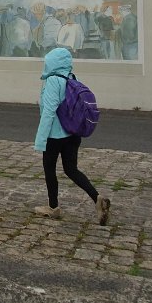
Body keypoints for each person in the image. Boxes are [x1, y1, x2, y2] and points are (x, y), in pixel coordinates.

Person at [33, 47, 110, 224]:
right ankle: (97, 198)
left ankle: (53, 207)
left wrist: (40, 140)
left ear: (52, 63)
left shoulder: (53, 80)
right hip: (72, 134)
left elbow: (49, 112)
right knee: (71, 170)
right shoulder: (72, 78)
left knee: (50, 169)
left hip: (55, 136)